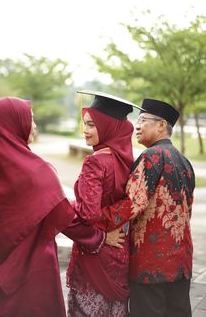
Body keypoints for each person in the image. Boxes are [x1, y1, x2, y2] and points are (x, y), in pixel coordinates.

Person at [0, 97, 106, 317]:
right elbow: (64, 217)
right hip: (32, 267)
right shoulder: (36, 173)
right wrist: (97, 238)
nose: (34, 126)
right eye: (30, 120)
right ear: (13, 125)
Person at [99, 98, 195, 317]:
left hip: (150, 264)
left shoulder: (151, 156)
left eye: (143, 120)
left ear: (162, 125)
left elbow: (133, 203)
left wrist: (97, 219)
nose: (137, 125)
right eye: (137, 120)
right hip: (181, 261)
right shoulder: (183, 160)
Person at [66, 90, 143, 317]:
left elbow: (89, 214)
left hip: (94, 254)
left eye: (91, 124)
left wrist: (67, 205)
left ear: (108, 125)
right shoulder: (128, 160)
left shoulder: (95, 162)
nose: (85, 130)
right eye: (84, 124)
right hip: (119, 249)